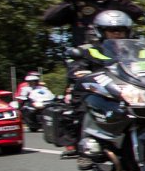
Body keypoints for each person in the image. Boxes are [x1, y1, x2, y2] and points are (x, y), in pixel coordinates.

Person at [59, 9, 139, 157]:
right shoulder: (88, 50)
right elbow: (75, 66)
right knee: (79, 102)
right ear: (101, 31)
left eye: (121, 30)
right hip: (100, 91)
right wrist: (79, 72)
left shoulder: (137, 51)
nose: (117, 34)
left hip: (128, 89)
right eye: (112, 30)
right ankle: (78, 144)